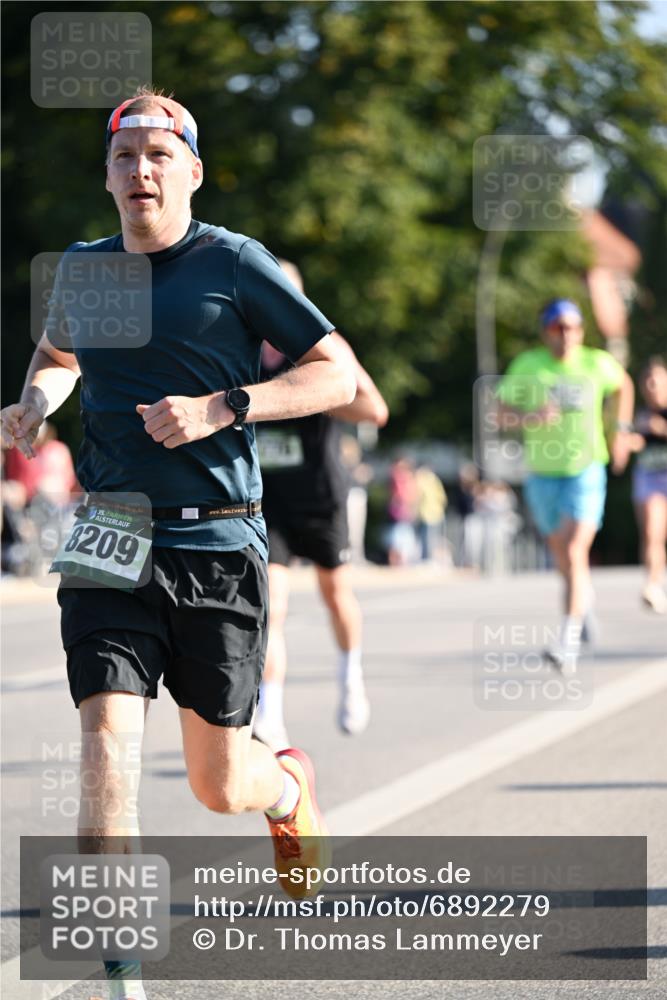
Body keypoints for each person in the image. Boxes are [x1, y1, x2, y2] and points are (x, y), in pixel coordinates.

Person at [0, 90, 356, 1000]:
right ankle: (125, 983)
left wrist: (223, 407)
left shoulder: (233, 264)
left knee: (215, 784)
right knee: (105, 756)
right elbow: (58, 356)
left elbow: (336, 373)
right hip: (109, 536)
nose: (141, 171)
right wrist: (38, 404)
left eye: (160, 155)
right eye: (125, 158)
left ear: (191, 170)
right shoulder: (84, 272)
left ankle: (282, 789)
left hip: (215, 545)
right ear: (108, 175)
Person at [253, 261, 389, 750]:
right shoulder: (242, 345)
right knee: (271, 607)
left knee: (335, 595)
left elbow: (374, 409)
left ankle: (351, 676)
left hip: (321, 495)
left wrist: (312, 393)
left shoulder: (321, 347)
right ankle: (270, 714)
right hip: (268, 500)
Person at [497, 298, 634, 673]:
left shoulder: (595, 362)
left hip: (585, 468)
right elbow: (500, 413)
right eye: (559, 328)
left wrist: (620, 431)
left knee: (574, 551)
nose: (567, 334)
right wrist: (531, 416)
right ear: (546, 331)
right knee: (562, 556)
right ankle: (584, 604)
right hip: (542, 473)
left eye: (573, 327)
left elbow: (624, 384)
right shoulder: (528, 366)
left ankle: (567, 640)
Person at [631, 356, 667, 613]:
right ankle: (653, 584)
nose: (652, 385)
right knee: (652, 533)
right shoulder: (640, 415)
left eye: (657, 380)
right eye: (648, 381)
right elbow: (635, 443)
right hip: (649, 478)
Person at [415, 464, 447, 563]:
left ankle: (426, 558)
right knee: (431, 537)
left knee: (427, 538)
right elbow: (442, 498)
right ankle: (429, 558)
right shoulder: (435, 480)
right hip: (434, 513)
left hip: (428, 514)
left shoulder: (422, 480)